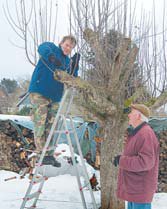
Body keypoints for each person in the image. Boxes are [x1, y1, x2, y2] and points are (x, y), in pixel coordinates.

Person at [28, 35, 80, 166]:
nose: (68, 48)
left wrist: (75, 65)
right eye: (67, 45)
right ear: (61, 43)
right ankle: (41, 153)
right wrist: (51, 57)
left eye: (71, 47)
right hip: (40, 91)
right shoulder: (51, 47)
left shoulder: (67, 61)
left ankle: (49, 155)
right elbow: (42, 47)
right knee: (40, 122)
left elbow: (72, 76)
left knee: (52, 125)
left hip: (56, 96)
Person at [114, 104, 159, 209]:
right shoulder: (138, 133)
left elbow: (145, 162)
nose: (129, 115)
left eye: (131, 113)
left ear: (139, 116)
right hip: (134, 189)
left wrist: (121, 160)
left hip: (140, 190)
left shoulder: (145, 133)